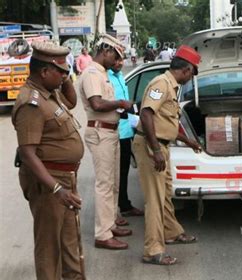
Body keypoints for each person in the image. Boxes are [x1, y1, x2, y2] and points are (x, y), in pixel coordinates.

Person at [12, 41, 86, 280]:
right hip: (49, 183)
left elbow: (72, 102)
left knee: (69, 241)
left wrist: (65, 78)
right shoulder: (31, 103)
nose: (66, 76)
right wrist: (56, 189)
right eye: (61, 71)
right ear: (44, 72)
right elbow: (28, 154)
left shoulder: (49, 92)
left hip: (65, 179)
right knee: (49, 248)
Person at [133, 45, 202, 265]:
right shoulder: (161, 84)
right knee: (154, 199)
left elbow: (166, 122)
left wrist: (188, 141)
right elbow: (146, 114)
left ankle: (171, 231)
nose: (191, 78)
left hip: (162, 146)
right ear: (187, 69)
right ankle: (152, 250)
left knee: (165, 193)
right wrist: (155, 150)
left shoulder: (171, 87)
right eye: (192, 73)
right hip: (151, 147)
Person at [75, 34, 133, 250]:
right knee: (104, 185)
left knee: (113, 183)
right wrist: (120, 102)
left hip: (111, 132)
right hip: (101, 133)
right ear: (106, 51)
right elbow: (97, 104)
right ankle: (102, 234)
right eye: (116, 55)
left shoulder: (102, 73)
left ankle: (110, 224)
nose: (118, 61)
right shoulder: (92, 73)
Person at [108, 56, 144, 225]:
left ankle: (124, 205)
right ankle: (115, 211)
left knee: (123, 172)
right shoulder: (105, 78)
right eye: (116, 60)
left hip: (126, 130)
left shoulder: (120, 76)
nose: (119, 63)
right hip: (115, 133)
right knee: (115, 176)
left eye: (121, 60)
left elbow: (128, 106)